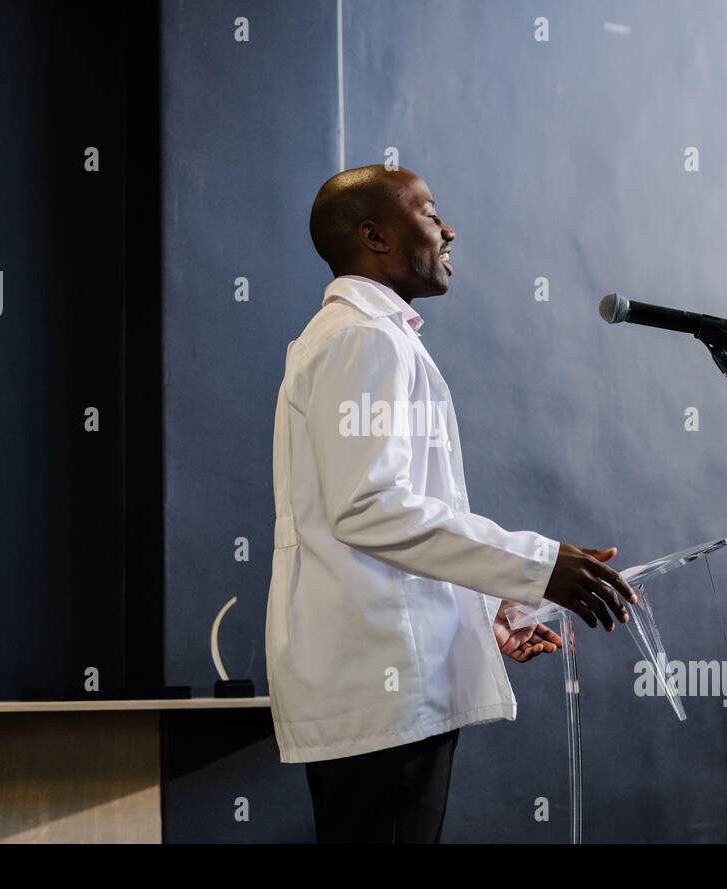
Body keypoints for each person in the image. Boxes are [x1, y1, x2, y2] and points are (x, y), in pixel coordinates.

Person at [266, 164, 638, 843]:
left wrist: (481, 609)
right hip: (381, 688)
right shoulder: (362, 338)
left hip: (384, 679)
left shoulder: (369, 336)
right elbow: (371, 507)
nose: (448, 228)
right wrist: (536, 563)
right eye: (430, 212)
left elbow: (378, 523)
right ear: (375, 236)